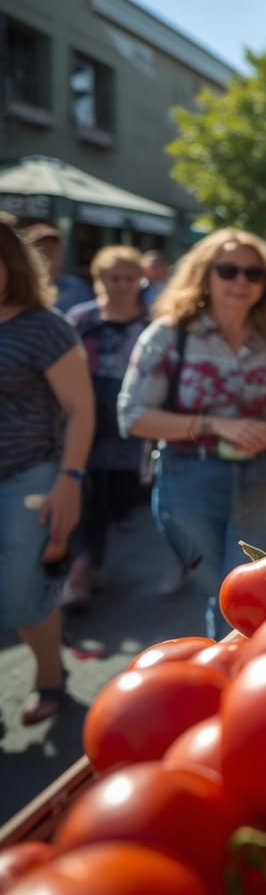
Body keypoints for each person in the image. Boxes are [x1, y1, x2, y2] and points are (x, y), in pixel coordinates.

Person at [118, 228, 266, 639]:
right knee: (219, 590)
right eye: (228, 270)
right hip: (189, 475)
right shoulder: (169, 335)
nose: (241, 281)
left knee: (249, 590)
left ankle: (241, 676)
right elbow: (132, 416)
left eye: (253, 273)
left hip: (265, 475)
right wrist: (211, 424)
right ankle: (233, 673)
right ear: (204, 274)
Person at [0, 218, 93, 725]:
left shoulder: (43, 325)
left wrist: (69, 479)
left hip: (30, 476)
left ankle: (48, 674)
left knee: (19, 589)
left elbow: (80, 408)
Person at [61, 245, 151, 610]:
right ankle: (81, 570)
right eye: (114, 278)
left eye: (129, 278)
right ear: (100, 280)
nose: (122, 285)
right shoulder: (80, 319)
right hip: (86, 418)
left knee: (121, 497)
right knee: (90, 494)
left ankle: (90, 561)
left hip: (129, 425)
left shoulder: (150, 322)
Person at [24, 224, 95, 311]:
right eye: (41, 248)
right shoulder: (19, 288)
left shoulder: (78, 287)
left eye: (53, 248)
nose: (49, 253)